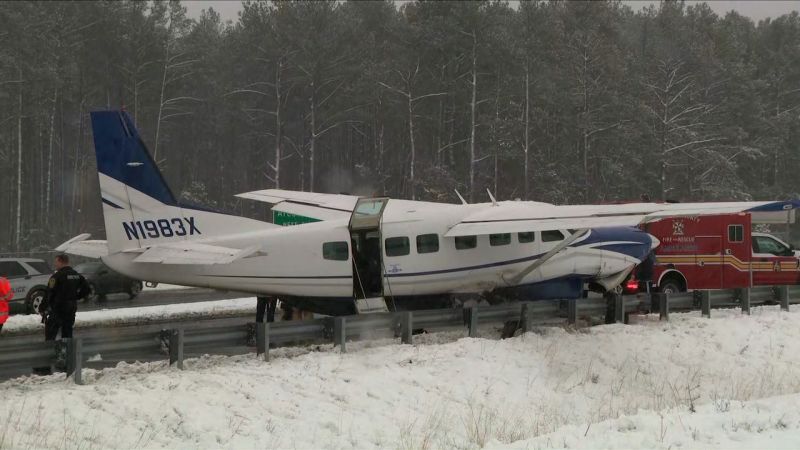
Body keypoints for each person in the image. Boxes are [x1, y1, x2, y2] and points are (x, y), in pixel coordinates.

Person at [39, 254, 90, 341]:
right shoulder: (77, 275)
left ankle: (50, 351)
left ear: (60, 261)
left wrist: (42, 308)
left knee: (51, 333)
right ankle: (66, 352)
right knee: (67, 333)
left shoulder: (57, 276)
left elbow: (49, 293)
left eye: (56, 262)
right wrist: (76, 297)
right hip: (71, 308)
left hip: (58, 308)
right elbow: (87, 290)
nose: (55, 264)